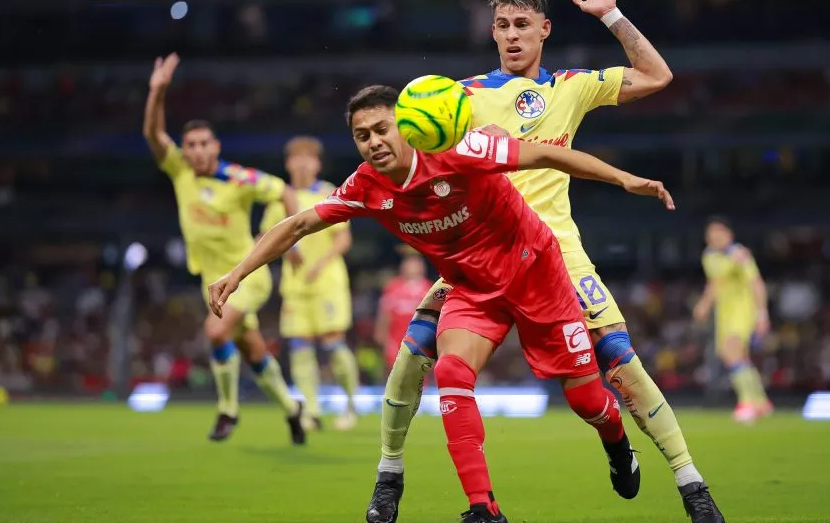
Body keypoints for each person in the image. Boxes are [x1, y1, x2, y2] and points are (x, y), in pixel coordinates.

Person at [208, 85, 674, 522]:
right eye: (361, 135)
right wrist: (237, 273)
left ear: (405, 126)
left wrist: (625, 179)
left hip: (535, 272)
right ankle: (483, 508)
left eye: (381, 129)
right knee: (451, 371)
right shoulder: (366, 185)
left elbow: (548, 154)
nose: (372, 142)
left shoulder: (462, 151)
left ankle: (616, 443)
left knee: (587, 400)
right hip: (472, 289)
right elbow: (297, 225)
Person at [367, 0, 724, 523]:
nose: (511, 34)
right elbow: (407, 150)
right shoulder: (456, 100)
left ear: (544, 31)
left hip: (557, 253)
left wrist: (611, 15)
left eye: (522, 24)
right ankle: (389, 475)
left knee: (618, 365)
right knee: (415, 352)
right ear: (492, 32)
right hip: (480, 251)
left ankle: (691, 486)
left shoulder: (571, 89)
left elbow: (657, 76)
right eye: (502, 24)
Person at [142, 53, 305, 444]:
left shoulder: (238, 178)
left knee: (215, 333)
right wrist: (157, 92)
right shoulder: (179, 170)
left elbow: (283, 190)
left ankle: (227, 411)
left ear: (215, 147)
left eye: (203, 144)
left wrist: (295, 239)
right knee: (252, 351)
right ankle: (291, 408)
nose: (196, 151)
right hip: (210, 280)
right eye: (190, 145)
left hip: (246, 275)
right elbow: (152, 135)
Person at [260, 137, 359, 432]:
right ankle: (312, 410)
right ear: (288, 163)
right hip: (295, 287)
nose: (302, 163)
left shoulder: (329, 193)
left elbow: (343, 237)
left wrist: (320, 262)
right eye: (296, 158)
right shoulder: (280, 198)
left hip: (327, 282)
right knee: (300, 347)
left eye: (309, 158)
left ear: (317, 163)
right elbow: (267, 238)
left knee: (333, 342)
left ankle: (351, 406)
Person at [693, 216, 773, 423]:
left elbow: (756, 283)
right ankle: (761, 402)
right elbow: (714, 283)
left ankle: (747, 402)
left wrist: (762, 312)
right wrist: (704, 304)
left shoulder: (739, 255)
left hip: (742, 311)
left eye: (719, 232)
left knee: (732, 351)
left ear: (729, 234)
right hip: (723, 314)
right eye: (711, 233)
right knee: (735, 356)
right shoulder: (709, 256)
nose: (714, 237)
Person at [375, 248, 434, 375]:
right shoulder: (392, 288)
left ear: (422, 266)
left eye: (415, 261)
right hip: (395, 347)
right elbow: (384, 318)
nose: (410, 265)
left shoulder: (430, 289)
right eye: (407, 261)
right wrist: (384, 342)